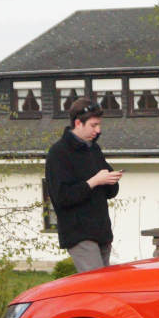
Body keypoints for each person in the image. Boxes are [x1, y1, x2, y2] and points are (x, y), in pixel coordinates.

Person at [45, 98, 123, 271]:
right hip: (79, 234)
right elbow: (61, 197)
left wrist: (111, 180)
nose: (98, 130)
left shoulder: (94, 150)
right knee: (95, 288)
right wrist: (94, 182)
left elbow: (109, 192)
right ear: (78, 123)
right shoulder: (58, 153)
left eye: (99, 125)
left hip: (102, 232)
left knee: (104, 288)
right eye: (94, 125)